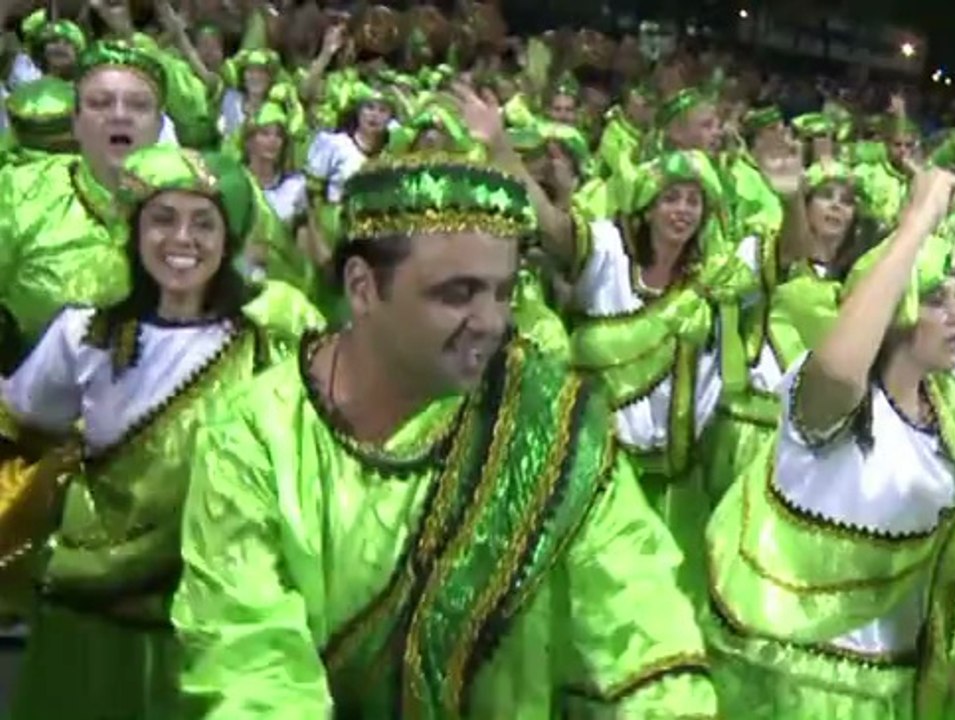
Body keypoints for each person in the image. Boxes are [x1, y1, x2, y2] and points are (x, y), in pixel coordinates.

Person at [170, 154, 719, 718]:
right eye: (457, 293)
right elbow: (252, 664)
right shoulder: (254, 432)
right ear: (362, 287)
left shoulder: (541, 419)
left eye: (504, 292)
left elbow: (641, 617)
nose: (491, 321)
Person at [0, 145, 322, 719]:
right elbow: (21, 428)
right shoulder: (86, 333)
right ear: (135, 231)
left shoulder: (272, 330)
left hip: (212, 622)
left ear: (229, 238)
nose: (182, 239)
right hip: (91, 618)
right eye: (162, 219)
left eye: (204, 223)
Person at [705, 168, 955, 719]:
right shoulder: (831, 400)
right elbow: (844, 364)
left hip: (890, 687)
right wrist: (915, 225)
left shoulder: (948, 409)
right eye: (938, 302)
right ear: (895, 310)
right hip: (792, 680)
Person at [0, 40, 165, 369]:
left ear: (160, 125)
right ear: (75, 122)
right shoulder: (17, 193)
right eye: (100, 103)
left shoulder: (203, 200)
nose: (119, 116)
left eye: (138, 105)